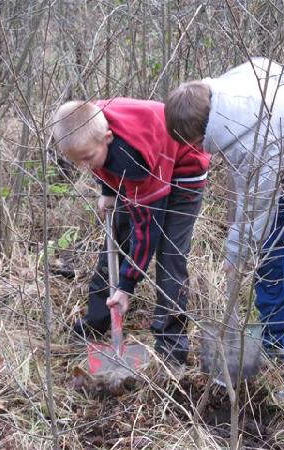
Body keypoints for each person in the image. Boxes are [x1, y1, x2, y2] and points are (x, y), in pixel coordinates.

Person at [164, 57, 284, 398]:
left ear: (204, 132)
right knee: (269, 260)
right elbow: (267, 65)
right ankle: (273, 340)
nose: (194, 151)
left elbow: (256, 205)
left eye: (193, 144)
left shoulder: (250, 140)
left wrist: (236, 252)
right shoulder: (220, 96)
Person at [52, 98, 209, 364]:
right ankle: (97, 323)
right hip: (143, 159)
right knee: (115, 239)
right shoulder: (87, 124)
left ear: (108, 137)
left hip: (184, 168)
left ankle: (171, 348)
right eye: (80, 162)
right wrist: (108, 190)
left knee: (170, 254)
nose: (87, 167)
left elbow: (147, 232)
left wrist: (126, 286)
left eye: (89, 159)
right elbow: (98, 160)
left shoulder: (132, 160)